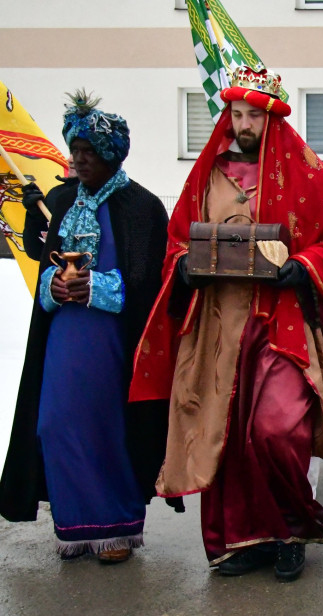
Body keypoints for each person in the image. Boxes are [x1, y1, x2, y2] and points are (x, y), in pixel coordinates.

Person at [129, 66, 323, 581]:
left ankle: (291, 527)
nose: (242, 124)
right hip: (219, 327)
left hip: (279, 324)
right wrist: (186, 271)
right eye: (235, 114)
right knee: (224, 433)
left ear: (270, 117)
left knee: (276, 428)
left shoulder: (307, 170)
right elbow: (178, 241)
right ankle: (242, 539)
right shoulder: (206, 174)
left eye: (252, 115)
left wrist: (301, 268)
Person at [1, 91, 170, 562]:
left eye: (89, 153)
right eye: (75, 151)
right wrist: (53, 288)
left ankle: (116, 527)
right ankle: (74, 526)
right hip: (62, 338)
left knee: (107, 425)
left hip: (114, 340)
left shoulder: (143, 207)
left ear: (112, 156)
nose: (78, 160)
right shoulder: (59, 199)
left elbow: (151, 281)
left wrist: (96, 288)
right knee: (55, 424)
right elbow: (43, 267)